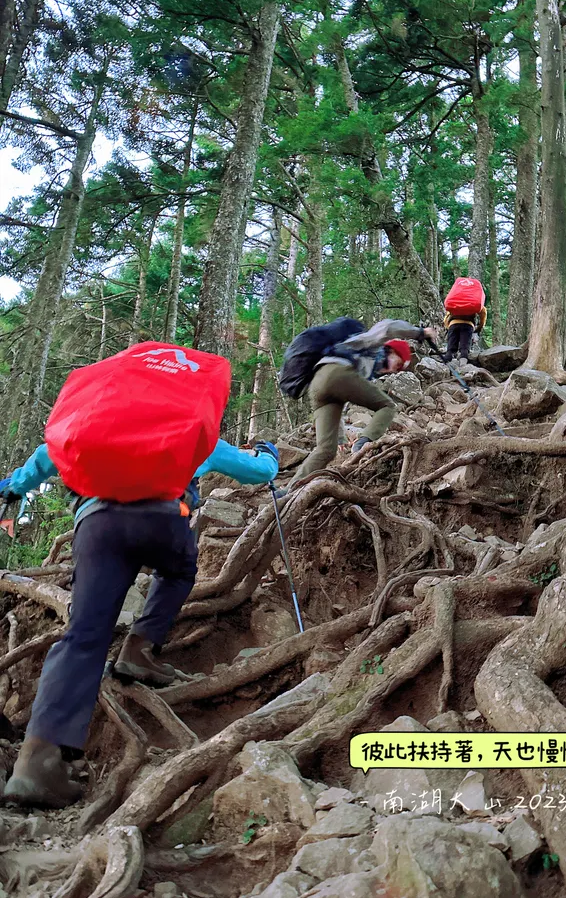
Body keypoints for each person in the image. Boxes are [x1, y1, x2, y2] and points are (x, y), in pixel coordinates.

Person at [0, 436, 278, 808]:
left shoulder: (95, 424)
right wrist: (268, 456)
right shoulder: (187, 428)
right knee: (179, 571)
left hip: (97, 521)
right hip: (163, 519)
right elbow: (256, 471)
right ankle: (140, 648)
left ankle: (35, 764)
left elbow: (47, 453)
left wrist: (12, 486)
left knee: (83, 634)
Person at [282, 320, 437, 493]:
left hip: (318, 386)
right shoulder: (372, 345)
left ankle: (288, 491)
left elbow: (340, 400)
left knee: (326, 450)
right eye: (399, 364)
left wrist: (340, 437)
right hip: (335, 373)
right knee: (387, 406)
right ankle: (362, 444)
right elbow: (388, 328)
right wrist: (420, 332)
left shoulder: (363, 367)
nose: (395, 371)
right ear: (391, 351)